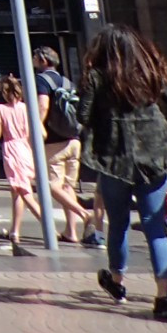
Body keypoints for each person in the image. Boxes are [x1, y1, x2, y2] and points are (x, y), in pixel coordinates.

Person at [83, 24, 167, 322]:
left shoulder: (97, 77)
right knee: (156, 228)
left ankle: (117, 282)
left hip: (115, 159)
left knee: (119, 224)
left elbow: (83, 115)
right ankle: (163, 297)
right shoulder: (149, 72)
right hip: (155, 155)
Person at [34, 45, 99, 245]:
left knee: (50, 185)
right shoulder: (67, 81)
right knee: (67, 186)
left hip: (55, 141)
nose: (34, 60)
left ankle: (84, 214)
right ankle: (71, 231)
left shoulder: (42, 80)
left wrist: (37, 125)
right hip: (74, 139)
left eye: (36, 57)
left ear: (44, 61)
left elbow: (43, 105)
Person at [0, 75, 43, 256]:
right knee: (17, 192)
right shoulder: (25, 108)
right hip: (24, 147)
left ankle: (47, 225)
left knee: (22, 191)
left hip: (11, 148)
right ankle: (15, 230)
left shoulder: (0, 110)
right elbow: (29, 132)